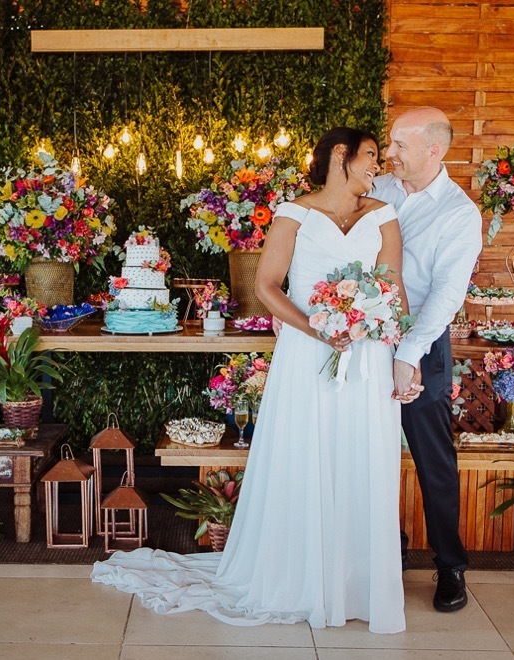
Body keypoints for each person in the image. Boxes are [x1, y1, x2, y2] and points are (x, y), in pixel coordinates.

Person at [92, 127, 415, 633]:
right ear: (340, 155)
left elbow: (393, 288)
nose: (378, 165)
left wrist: (402, 357)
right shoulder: (294, 213)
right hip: (308, 354)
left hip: (369, 356)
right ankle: (301, 580)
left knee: (361, 458)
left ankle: (356, 586)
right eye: (371, 155)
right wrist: (318, 329)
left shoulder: (384, 215)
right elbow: (267, 286)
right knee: (305, 455)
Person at [371, 107, 483, 612]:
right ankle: (380, 551)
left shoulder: (459, 213)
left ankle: (450, 567)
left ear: (433, 151)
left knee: (432, 457)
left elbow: (445, 295)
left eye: (398, 145)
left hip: (423, 343)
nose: (387, 153)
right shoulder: (380, 190)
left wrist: (408, 353)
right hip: (365, 338)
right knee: (366, 448)